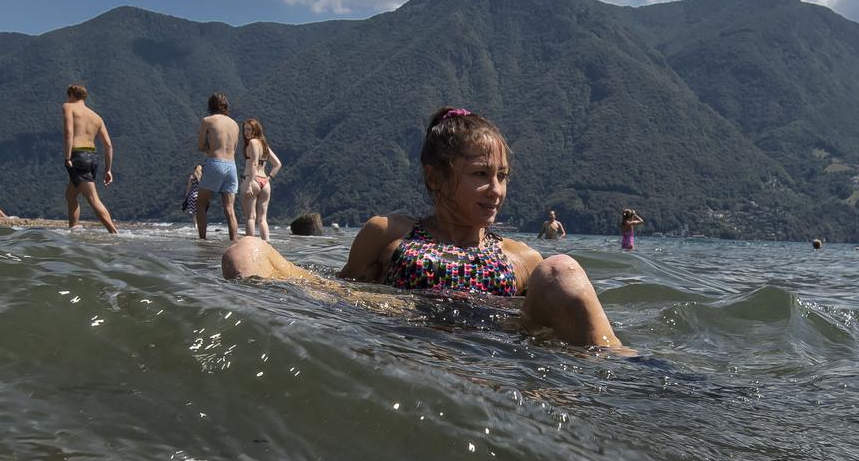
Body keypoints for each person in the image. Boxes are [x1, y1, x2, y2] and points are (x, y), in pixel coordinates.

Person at [222, 107, 623, 348]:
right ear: (435, 178)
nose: (496, 189)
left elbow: (530, 323)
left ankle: (623, 371)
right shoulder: (389, 234)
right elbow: (341, 291)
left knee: (562, 269)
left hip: (495, 357)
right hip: (402, 339)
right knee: (245, 250)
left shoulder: (521, 258)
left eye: (502, 176)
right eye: (481, 174)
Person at [61, 84, 118, 233]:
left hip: (78, 156)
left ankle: (114, 233)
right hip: (93, 158)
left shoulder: (68, 107)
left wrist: (67, 157)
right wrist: (108, 170)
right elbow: (108, 146)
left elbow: (68, 132)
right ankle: (74, 230)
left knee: (93, 198)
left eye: (68, 96)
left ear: (71, 95)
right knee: (70, 194)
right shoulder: (96, 117)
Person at [195, 94, 240, 240]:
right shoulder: (235, 124)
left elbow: (201, 146)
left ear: (210, 106)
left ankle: (202, 240)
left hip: (215, 162)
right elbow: (234, 148)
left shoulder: (207, 121)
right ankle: (234, 241)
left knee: (201, 204)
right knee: (229, 209)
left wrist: (210, 148)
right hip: (231, 166)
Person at [241, 118, 282, 241]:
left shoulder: (252, 142)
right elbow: (278, 164)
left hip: (251, 180)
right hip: (264, 183)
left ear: (256, 130)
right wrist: (268, 179)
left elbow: (253, 163)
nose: (246, 132)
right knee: (262, 219)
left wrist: (248, 184)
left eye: (249, 129)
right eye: (245, 129)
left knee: (250, 217)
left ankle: (250, 246)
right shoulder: (264, 145)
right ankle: (267, 246)